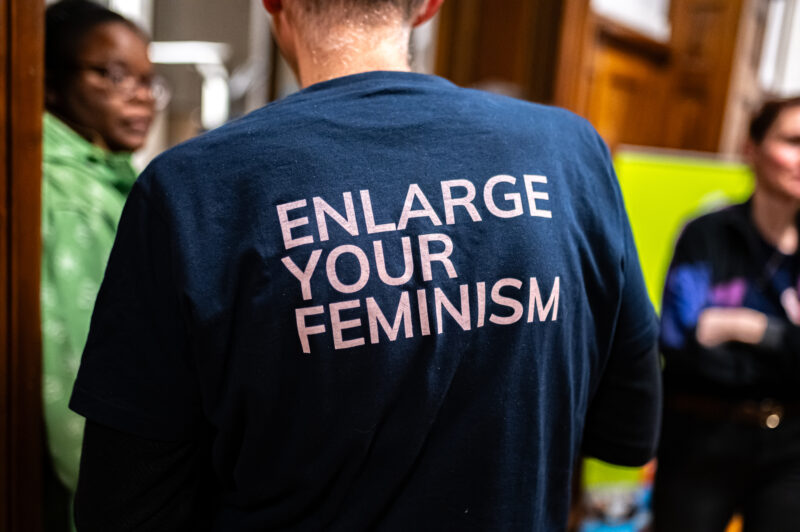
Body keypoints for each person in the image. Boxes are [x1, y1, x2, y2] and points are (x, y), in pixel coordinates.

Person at [70, 0, 662, 530]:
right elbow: (628, 430)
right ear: (429, 5)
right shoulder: (568, 153)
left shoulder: (192, 190)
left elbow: (123, 505)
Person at [654, 96, 800, 531]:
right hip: (702, 434)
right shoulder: (707, 235)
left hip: (791, 445)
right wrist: (787, 350)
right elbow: (679, 342)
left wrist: (750, 328)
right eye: (793, 141)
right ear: (751, 149)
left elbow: (705, 335)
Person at [41, 0, 157, 522]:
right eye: (114, 75)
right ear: (50, 83)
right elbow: (70, 373)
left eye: (148, 79)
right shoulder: (69, 193)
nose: (142, 96)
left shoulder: (106, 176)